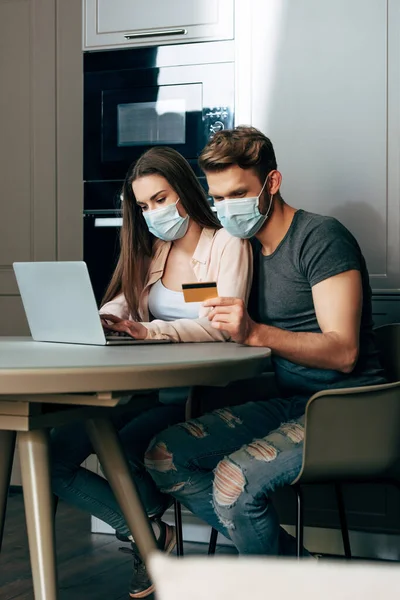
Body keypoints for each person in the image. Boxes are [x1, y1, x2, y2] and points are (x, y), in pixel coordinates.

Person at [144, 127, 387, 561]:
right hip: (289, 402)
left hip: (350, 408)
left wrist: (254, 332)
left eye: (238, 193)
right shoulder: (241, 251)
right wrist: (141, 319)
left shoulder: (320, 238)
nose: (226, 208)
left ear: (272, 184)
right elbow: (198, 303)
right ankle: (299, 569)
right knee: (165, 455)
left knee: (232, 481)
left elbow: (344, 352)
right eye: (217, 198)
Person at [50, 146, 252, 599]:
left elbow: (220, 326)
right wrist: (103, 318)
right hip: (148, 389)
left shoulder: (226, 244)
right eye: (143, 206)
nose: (153, 213)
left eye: (160, 199)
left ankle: (148, 540)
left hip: (202, 394)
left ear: (184, 190)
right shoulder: (153, 249)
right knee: (56, 457)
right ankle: (151, 535)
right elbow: (122, 304)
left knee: (124, 445)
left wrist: (149, 330)